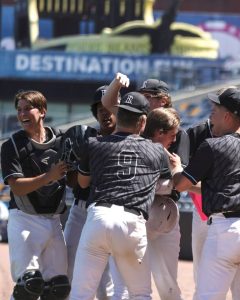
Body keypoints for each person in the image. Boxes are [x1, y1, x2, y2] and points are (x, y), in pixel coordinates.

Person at [171, 87, 240, 299]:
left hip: (227, 230)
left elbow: (179, 185)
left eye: (215, 110)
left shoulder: (212, 145)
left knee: (207, 295)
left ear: (227, 116)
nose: (210, 115)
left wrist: (177, 167)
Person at [70, 92, 169, 299]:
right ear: (142, 121)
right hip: (131, 222)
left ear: (118, 115)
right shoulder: (156, 150)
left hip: (98, 217)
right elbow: (167, 186)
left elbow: (82, 182)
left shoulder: (94, 144)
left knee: (81, 293)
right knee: (140, 293)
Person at [101, 73, 190, 298]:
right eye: (142, 95)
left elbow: (179, 178)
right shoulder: (135, 123)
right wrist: (116, 84)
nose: (144, 99)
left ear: (164, 100)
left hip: (164, 210)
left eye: (149, 96)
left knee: (167, 282)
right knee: (123, 280)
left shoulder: (178, 133)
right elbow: (108, 103)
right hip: (133, 209)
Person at [1, 90, 70, 299]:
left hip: (54, 220)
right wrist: (50, 175)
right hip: (24, 219)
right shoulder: (12, 145)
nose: (22, 114)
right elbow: (17, 187)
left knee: (58, 288)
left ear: (42, 111)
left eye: (27, 108)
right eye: (19, 109)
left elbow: (74, 179)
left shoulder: (61, 140)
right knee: (29, 285)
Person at [63, 86, 119, 299]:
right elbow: (72, 184)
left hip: (112, 214)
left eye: (108, 107)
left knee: (106, 283)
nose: (104, 113)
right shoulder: (85, 138)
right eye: (99, 109)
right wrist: (72, 165)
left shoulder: (128, 140)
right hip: (81, 211)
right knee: (67, 268)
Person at [142, 107, 184, 300]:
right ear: (159, 132)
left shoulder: (169, 153)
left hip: (164, 221)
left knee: (167, 282)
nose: (174, 140)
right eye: (172, 135)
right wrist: (176, 177)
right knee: (135, 283)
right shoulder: (139, 147)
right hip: (138, 221)